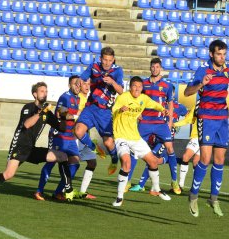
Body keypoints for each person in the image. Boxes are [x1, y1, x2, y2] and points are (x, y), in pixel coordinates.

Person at [0, 82, 74, 203]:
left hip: (31, 148)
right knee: (8, 174)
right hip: (19, 147)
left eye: (46, 91)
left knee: (62, 156)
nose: (45, 93)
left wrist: (65, 117)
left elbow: (62, 128)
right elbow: (27, 124)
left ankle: (68, 188)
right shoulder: (28, 108)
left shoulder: (47, 113)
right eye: (42, 91)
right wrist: (40, 113)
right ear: (35, 94)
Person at [184, 39, 229, 217]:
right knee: (205, 158)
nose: (222, 57)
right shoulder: (203, 70)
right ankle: (193, 197)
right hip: (206, 117)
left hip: (222, 118)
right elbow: (187, 92)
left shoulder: (227, 70)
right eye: (219, 54)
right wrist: (202, 83)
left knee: (220, 159)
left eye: (224, 54)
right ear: (211, 54)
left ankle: (213, 199)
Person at [111, 76, 171, 207]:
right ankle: (119, 197)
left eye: (139, 86)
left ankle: (157, 189)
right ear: (130, 87)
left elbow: (155, 105)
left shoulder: (143, 99)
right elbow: (114, 109)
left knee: (153, 161)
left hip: (135, 137)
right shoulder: (123, 97)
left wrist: (163, 110)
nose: (137, 88)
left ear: (142, 88)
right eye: (134, 86)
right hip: (121, 137)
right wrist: (120, 109)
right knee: (126, 163)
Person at [74, 47, 123, 175]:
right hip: (90, 107)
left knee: (108, 142)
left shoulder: (117, 71)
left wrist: (112, 82)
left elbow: (121, 91)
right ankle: (93, 147)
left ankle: (114, 158)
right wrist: (79, 81)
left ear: (113, 60)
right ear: (100, 59)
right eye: (105, 60)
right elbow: (82, 77)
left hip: (104, 112)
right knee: (78, 131)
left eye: (110, 60)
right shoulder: (94, 66)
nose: (107, 63)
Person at [137, 58, 181, 195]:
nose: (155, 69)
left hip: (161, 123)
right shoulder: (144, 84)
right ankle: (128, 181)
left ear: (160, 68)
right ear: (150, 68)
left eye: (157, 67)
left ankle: (174, 181)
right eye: (153, 67)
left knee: (169, 148)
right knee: (135, 149)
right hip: (145, 122)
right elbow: (138, 100)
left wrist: (170, 121)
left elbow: (170, 103)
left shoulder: (167, 85)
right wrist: (138, 114)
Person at [35, 76, 82, 201]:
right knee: (51, 162)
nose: (77, 86)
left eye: (79, 84)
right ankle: (39, 191)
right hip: (59, 135)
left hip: (70, 136)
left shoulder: (77, 98)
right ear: (69, 85)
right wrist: (77, 116)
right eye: (74, 84)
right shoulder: (65, 97)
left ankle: (58, 191)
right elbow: (60, 113)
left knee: (75, 163)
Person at [173, 102, 201, 190]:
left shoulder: (200, 104)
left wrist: (174, 124)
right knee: (196, 163)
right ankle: (195, 188)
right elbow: (189, 119)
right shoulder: (199, 104)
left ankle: (180, 186)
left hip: (198, 137)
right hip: (205, 138)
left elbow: (188, 120)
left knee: (185, 157)